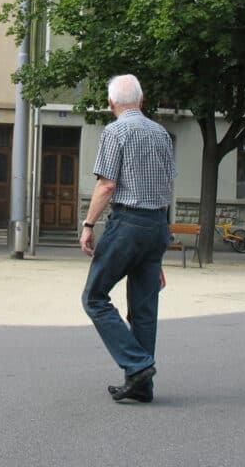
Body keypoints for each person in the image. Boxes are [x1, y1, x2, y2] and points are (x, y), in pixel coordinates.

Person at [80, 74, 176, 404]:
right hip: (157, 226)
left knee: (94, 297)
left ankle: (137, 365)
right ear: (141, 98)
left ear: (111, 104)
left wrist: (89, 223)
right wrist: (162, 242)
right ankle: (142, 386)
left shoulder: (115, 131)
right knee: (144, 309)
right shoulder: (162, 133)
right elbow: (167, 188)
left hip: (128, 223)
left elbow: (107, 185)